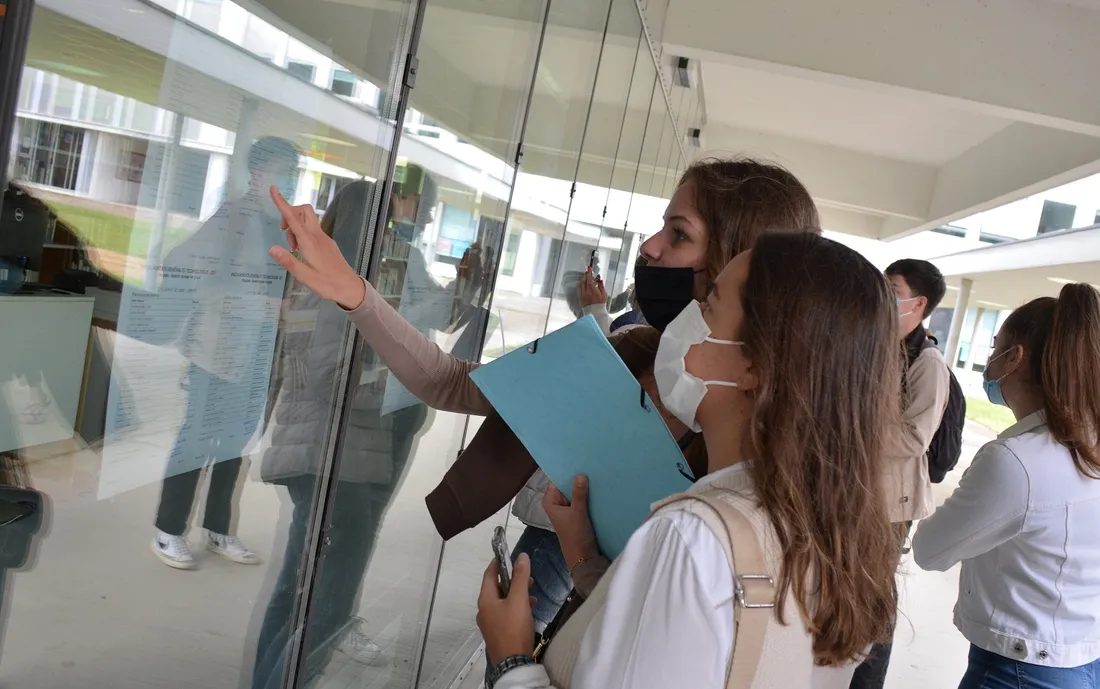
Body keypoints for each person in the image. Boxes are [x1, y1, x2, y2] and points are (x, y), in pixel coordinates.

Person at [268, 158, 821, 629]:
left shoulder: (755, 489)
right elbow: (455, 383)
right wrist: (352, 291)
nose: (649, 248)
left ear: (742, 267)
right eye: (662, 227)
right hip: (557, 551)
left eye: (679, 235)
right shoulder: (630, 349)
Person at [475, 233, 902, 689]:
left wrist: (510, 659)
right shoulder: (831, 528)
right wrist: (588, 564)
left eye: (711, 302)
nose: (691, 314)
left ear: (755, 366)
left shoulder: (692, 537)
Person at [246, 176, 434, 689]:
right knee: (325, 608)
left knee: (294, 594)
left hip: (319, 452)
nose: (400, 232)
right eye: (393, 221)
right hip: (340, 463)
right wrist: (399, 380)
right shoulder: (340, 283)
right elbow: (333, 373)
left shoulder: (322, 276)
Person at [913, 284, 1100, 689]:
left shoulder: (1016, 461)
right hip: (1085, 664)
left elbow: (929, 549)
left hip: (1021, 681)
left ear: (1014, 358)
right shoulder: (1087, 445)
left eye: (995, 348)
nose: (990, 359)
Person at [150, 136, 301, 570]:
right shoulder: (233, 218)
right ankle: (168, 530)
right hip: (215, 352)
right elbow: (187, 269)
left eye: (289, 171)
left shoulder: (281, 225)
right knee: (196, 439)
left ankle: (218, 529)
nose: (284, 179)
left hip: (257, 356)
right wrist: (267, 306)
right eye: (278, 169)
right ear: (257, 173)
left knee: (235, 443)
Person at [835, 258, 952, 689]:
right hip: (856, 491)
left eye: (893, 288)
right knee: (843, 585)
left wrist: (849, 420)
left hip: (891, 505)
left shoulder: (928, 363)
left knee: (874, 596)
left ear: (919, 304)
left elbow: (913, 439)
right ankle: (834, 675)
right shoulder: (875, 346)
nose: (882, 295)